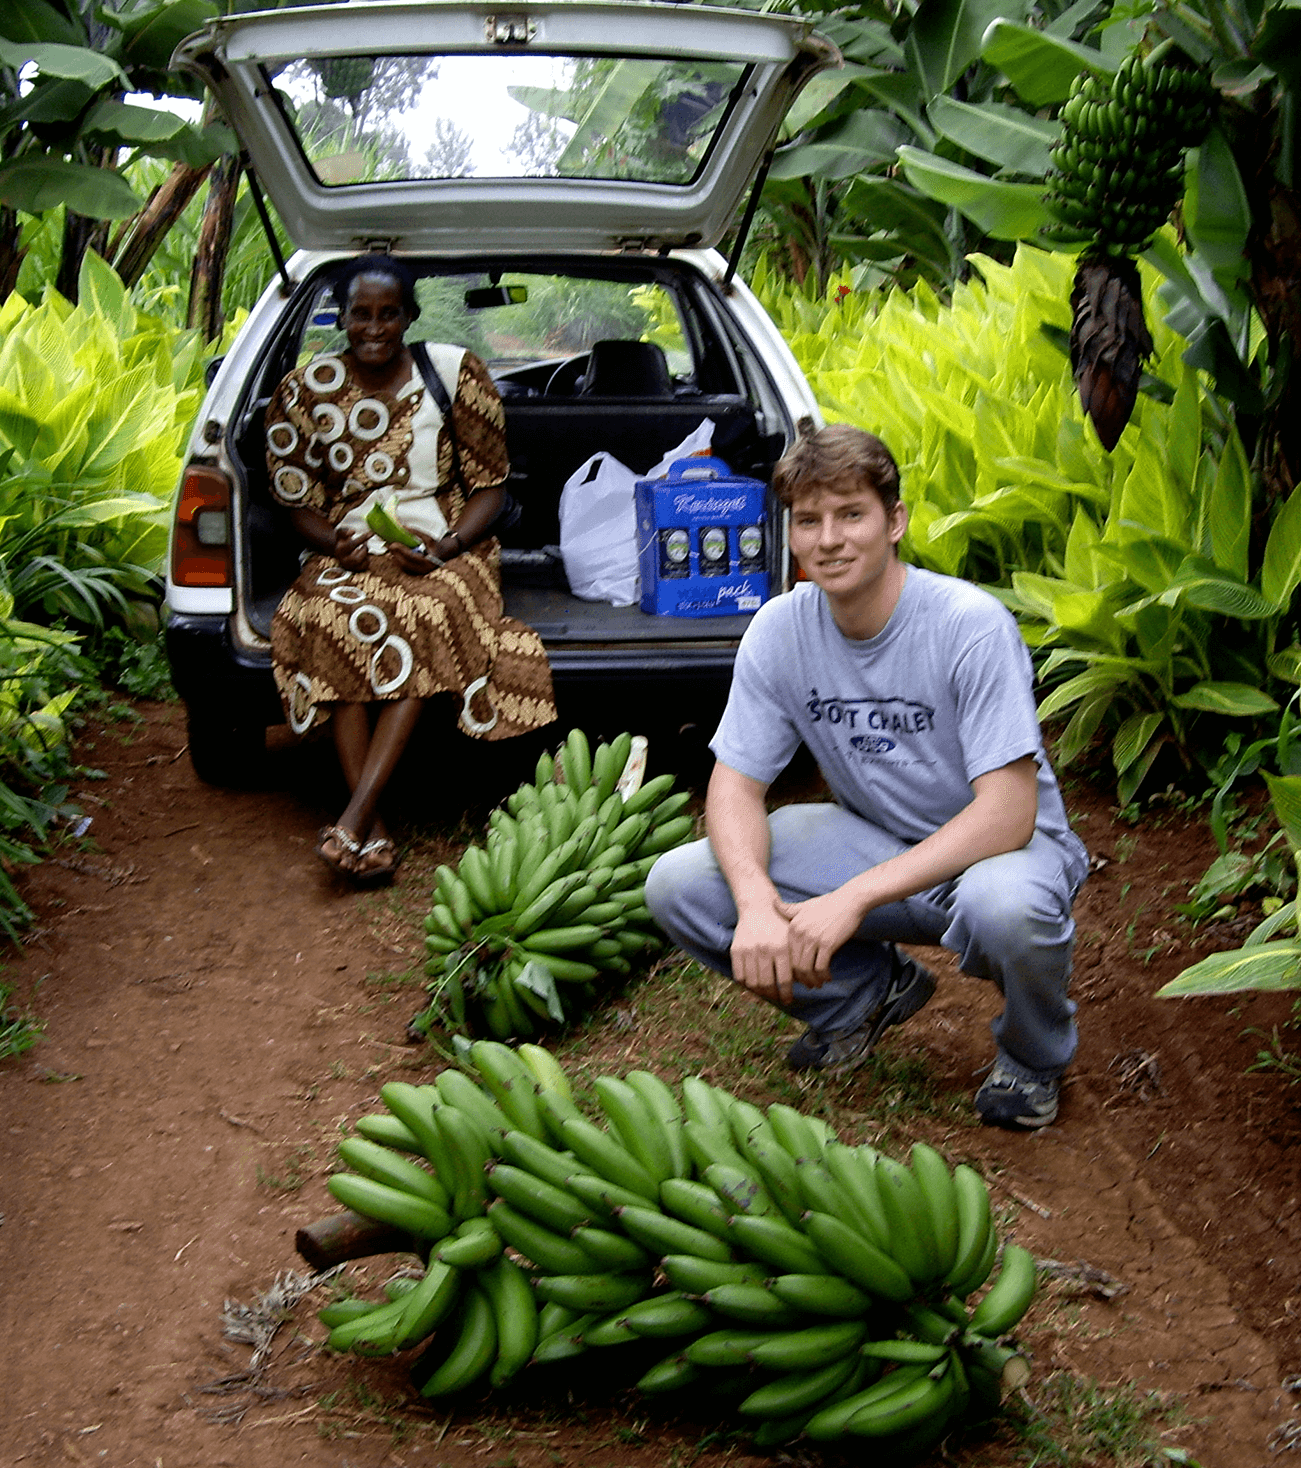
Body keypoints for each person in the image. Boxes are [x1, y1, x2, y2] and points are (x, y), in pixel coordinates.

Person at [645, 423, 1090, 1130]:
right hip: (873, 839)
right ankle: (861, 999)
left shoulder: (968, 625)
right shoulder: (779, 630)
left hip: (999, 853)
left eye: (852, 514)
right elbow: (733, 786)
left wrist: (853, 898)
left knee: (1006, 909)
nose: (830, 539)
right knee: (681, 885)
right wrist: (758, 904)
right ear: (789, 535)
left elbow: (1009, 813)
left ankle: (1033, 1059)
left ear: (895, 523)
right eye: (809, 520)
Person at [264, 254, 557, 883]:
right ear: (340, 317)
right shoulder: (306, 388)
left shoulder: (453, 374)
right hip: (348, 546)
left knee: (428, 611)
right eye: (360, 314)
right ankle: (372, 831)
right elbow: (296, 501)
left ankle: (354, 818)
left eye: (388, 314)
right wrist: (333, 541)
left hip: (445, 544)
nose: (374, 327)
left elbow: (492, 488)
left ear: (409, 316)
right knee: (332, 617)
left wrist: (447, 547)